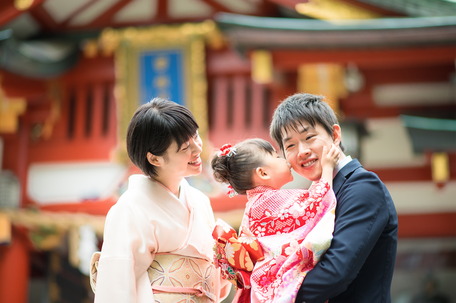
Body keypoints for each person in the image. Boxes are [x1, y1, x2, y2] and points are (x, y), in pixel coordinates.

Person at [90, 98, 231, 303]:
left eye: (196, 136)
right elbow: (116, 286)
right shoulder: (129, 207)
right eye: (185, 147)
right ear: (154, 158)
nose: (198, 149)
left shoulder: (200, 201)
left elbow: (214, 279)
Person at [269, 93, 398, 303]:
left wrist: (274, 292)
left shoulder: (362, 187)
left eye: (309, 137)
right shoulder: (316, 196)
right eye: (290, 145)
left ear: (335, 134)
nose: (302, 151)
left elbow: (336, 273)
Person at [211, 138, 340, 303]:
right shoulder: (266, 202)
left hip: (263, 287)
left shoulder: (255, 205)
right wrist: (327, 167)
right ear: (263, 173)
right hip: (276, 284)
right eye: (276, 156)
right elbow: (313, 207)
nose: (284, 159)